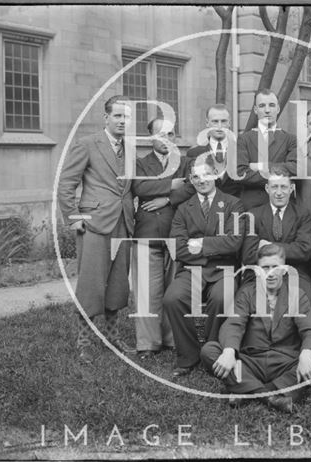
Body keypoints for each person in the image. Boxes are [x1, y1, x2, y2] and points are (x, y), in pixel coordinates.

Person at [200, 244, 311, 413]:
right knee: (209, 350)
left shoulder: (297, 295)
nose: (270, 273)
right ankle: (273, 397)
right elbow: (234, 324)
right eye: (265, 268)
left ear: (284, 270)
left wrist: (306, 356)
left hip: (285, 363)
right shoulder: (247, 293)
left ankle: (245, 390)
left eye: (275, 267)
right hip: (250, 362)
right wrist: (228, 352)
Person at [58, 95, 135, 362]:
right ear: (106, 118)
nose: (123, 121)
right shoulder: (88, 144)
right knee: (91, 284)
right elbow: (66, 182)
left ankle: (112, 336)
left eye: (127, 117)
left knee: (117, 284)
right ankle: (84, 343)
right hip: (94, 224)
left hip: (123, 223)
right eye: (118, 116)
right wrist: (72, 216)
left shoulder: (131, 148)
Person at [163, 161, 246, 377]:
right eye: (196, 177)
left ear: (216, 175)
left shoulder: (233, 204)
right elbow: (178, 248)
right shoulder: (183, 208)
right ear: (191, 181)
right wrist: (214, 244)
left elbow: (234, 242)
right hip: (191, 269)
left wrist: (199, 243)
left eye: (206, 175)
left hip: (224, 268)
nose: (202, 181)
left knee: (222, 296)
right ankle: (189, 355)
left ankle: (212, 350)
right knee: (173, 298)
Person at [130, 118, 189, 359]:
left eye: (171, 134)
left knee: (173, 290)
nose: (167, 139)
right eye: (161, 134)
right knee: (147, 291)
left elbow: (194, 186)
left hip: (177, 233)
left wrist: (168, 199)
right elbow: (139, 188)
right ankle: (147, 343)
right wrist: (171, 184)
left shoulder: (185, 163)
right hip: (148, 234)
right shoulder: (140, 164)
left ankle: (171, 338)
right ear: (151, 138)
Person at [241, 166, 311, 298]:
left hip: (293, 272)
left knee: (304, 296)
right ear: (267, 189)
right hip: (260, 273)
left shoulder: (302, 215)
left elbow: (304, 251)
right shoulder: (253, 216)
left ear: (291, 189)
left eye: (283, 187)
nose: (279, 192)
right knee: (248, 297)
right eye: (274, 187)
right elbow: (248, 255)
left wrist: (268, 246)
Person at [236, 89, 297, 210]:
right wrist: (279, 176)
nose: (267, 110)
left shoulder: (291, 139)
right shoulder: (244, 139)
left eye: (272, 105)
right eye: (262, 106)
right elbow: (240, 173)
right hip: (252, 206)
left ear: (278, 109)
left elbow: (295, 168)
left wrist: (259, 166)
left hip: (284, 207)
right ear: (255, 110)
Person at [185, 103, 241, 197]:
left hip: (237, 205)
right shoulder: (194, 153)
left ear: (229, 123)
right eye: (215, 121)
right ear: (207, 123)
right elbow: (190, 185)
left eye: (223, 121)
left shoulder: (241, 150)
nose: (219, 126)